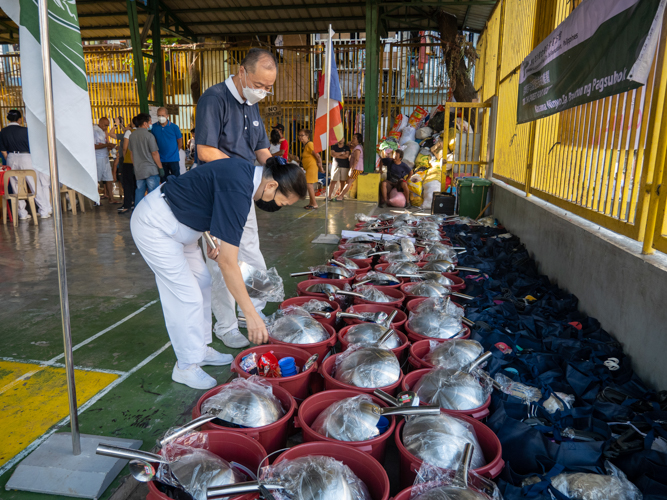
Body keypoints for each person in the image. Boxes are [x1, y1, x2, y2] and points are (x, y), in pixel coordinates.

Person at [130, 157, 307, 389]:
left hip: (184, 226)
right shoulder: (240, 191)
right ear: (272, 185)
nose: (278, 207)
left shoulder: (243, 176)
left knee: (203, 282)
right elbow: (227, 264)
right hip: (157, 226)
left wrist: (211, 238)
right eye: (283, 203)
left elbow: (201, 193)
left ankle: (200, 350)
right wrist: (251, 315)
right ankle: (186, 366)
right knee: (186, 296)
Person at [195, 48, 277, 348]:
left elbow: (262, 150)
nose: (264, 92)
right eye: (260, 85)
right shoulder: (214, 99)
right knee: (221, 262)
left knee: (252, 253)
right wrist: (245, 173)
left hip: (243, 190)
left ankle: (252, 313)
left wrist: (279, 173)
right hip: (216, 191)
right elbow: (205, 150)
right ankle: (226, 326)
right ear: (241, 72)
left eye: (269, 88)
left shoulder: (251, 104)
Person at [0, 109, 52, 219]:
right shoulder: (26, 131)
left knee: (16, 186)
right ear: (20, 120)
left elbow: (3, 150)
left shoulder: (3, 131)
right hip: (26, 157)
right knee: (34, 184)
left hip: (11, 157)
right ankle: (43, 211)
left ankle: (22, 213)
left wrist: (10, 160)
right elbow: (35, 148)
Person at [128, 113, 162, 206]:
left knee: (139, 191)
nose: (151, 123)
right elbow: (154, 153)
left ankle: (137, 212)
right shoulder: (149, 136)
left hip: (139, 170)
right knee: (153, 193)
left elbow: (132, 153)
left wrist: (135, 167)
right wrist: (160, 168)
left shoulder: (132, 136)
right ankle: (152, 213)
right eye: (150, 121)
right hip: (150, 169)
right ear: (145, 123)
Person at [93, 117, 120, 204]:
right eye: (105, 125)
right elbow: (94, 146)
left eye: (107, 126)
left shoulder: (103, 132)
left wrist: (110, 146)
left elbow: (103, 144)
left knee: (109, 178)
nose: (106, 127)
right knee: (96, 179)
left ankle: (111, 198)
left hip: (105, 157)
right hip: (98, 158)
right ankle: (96, 199)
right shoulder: (94, 131)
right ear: (100, 123)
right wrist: (107, 145)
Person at [151, 107, 183, 179]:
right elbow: (154, 142)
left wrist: (174, 152)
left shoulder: (174, 127)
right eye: (159, 116)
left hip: (173, 159)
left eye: (162, 115)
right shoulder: (154, 127)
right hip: (161, 160)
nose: (161, 117)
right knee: (163, 181)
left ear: (167, 116)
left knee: (176, 180)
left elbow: (180, 142)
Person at [298, 129, 322, 210]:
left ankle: (314, 204)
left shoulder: (310, 144)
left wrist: (321, 167)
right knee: (308, 185)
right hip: (308, 167)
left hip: (311, 167)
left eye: (302, 135)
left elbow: (317, 156)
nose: (300, 137)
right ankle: (311, 203)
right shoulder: (305, 146)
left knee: (309, 185)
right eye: (299, 135)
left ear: (307, 136)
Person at [336, 133, 364, 201]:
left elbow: (356, 160)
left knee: (349, 182)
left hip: (356, 168)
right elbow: (349, 147)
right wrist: (349, 144)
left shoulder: (357, 149)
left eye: (354, 138)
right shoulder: (357, 147)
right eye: (353, 138)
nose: (352, 139)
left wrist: (352, 169)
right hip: (355, 168)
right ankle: (341, 195)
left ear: (358, 140)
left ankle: (341, 196)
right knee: (348, 181)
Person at [118, 116, 137, 214]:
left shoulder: (129, 133)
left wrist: (125, 159)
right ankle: (136, 202)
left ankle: (127, 205)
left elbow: (125, 148)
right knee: (137, 184)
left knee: (128, 184)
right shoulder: (145, 133)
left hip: (129, 162)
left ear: (133, 124)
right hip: (139, 163)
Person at [327, 136, 350, 201]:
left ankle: (340, 196)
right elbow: (332, 154)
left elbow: (346, 156)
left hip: (345, 166)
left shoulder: (346, 147)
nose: (341, 139)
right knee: (333, 181)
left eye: (342, 138)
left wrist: (337, 155)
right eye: (340, 138)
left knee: (342, 181)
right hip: (335, 166)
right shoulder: (334, 146)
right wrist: (342, 153)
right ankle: (329, 196)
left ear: (344, 139)